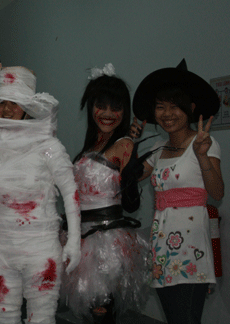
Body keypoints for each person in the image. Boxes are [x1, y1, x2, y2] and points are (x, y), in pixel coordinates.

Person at [0, 66, 81, 324]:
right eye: (2, 103)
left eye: (15, 103)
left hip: (41, 251)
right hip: (2, 253)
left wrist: (74, 241)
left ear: (28, 107)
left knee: (41, 319)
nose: (7, 110)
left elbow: (70, 192)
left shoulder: (48, 146)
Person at [132, 60, 224, 324]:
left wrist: (202, 156)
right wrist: (131, 142)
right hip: (162, 246)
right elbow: (130, 177)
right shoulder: (158, 148)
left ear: (191, 109)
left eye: (175, 106)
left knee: (186, 318)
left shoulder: (204, 143)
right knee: (174, 318)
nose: (167, 114)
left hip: (191, 248)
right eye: (161, 106)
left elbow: (217, 192)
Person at [62, 64, 149, 324]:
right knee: (89, 312)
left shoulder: (124, 145)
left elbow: (131, 205)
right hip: (81, 237)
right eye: (102, 105)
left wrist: (131, 171)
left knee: (102, 311)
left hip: (106, 243)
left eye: (116, 107)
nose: (109, 114)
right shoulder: (91, 145)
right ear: (91, 107)